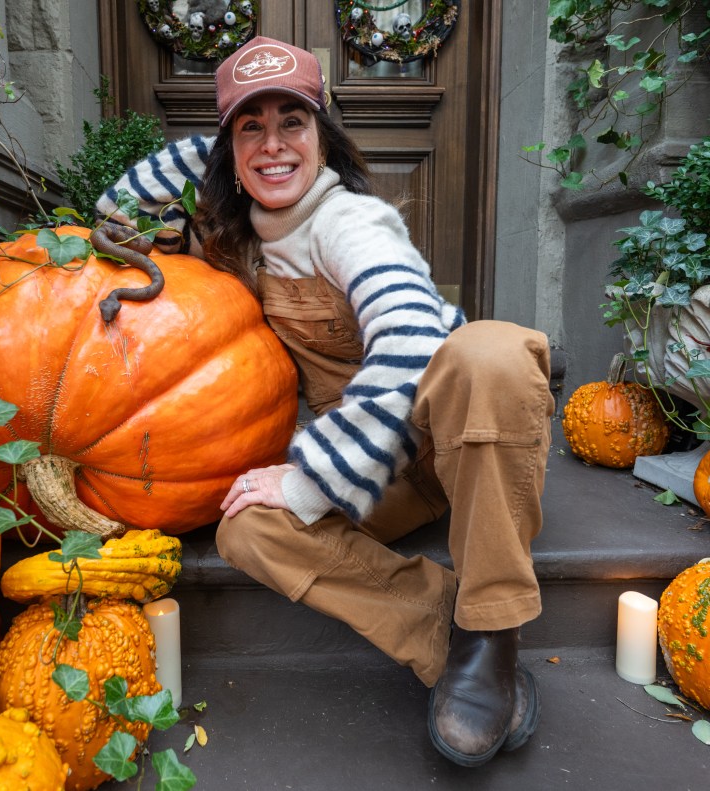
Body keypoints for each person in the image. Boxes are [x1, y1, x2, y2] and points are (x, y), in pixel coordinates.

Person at [98, 36, 555, 768]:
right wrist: (216, 157)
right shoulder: (237, 241)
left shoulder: (352, 225)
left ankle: (496, 618)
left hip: (471, 442)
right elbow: (113, 208)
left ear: (324, 138)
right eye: (252, 126)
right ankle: (460, 634)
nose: (275, 145)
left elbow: (408, 339)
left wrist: (306, 479)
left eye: (293, 123)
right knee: (248, 530)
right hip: (384, 468)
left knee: (488, 352)